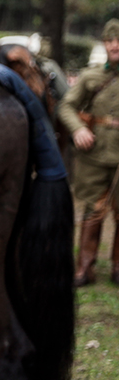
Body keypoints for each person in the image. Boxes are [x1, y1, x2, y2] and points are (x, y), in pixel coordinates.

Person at [57, 18, 119, 286]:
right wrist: (78, 129)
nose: (115, 45)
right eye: (109, 40)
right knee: (92, 210)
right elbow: (66, 107)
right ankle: (85, 268)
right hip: (95, 153)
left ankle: (118, 267)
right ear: (104, 45)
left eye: (118, 40)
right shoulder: (91, 76)